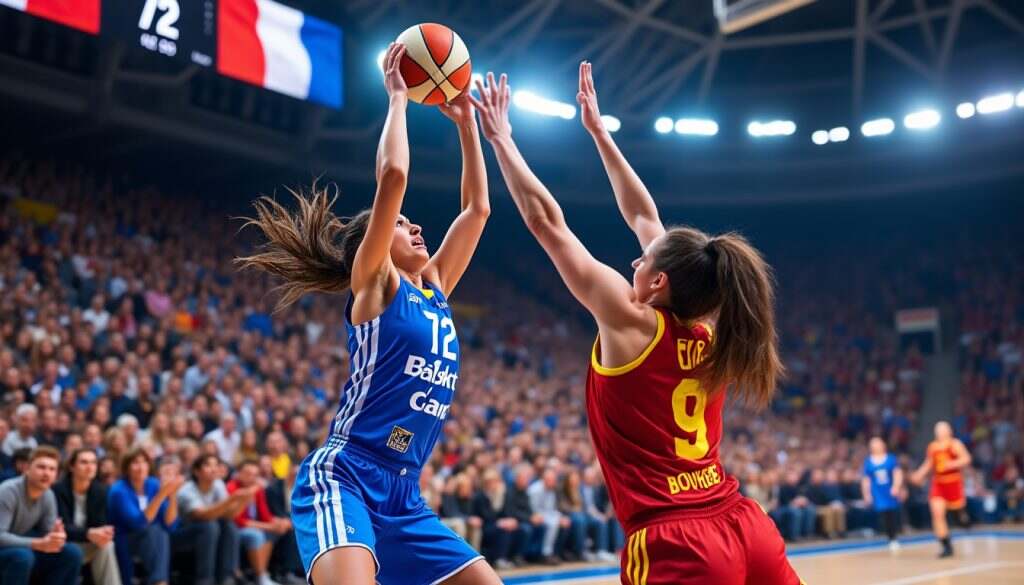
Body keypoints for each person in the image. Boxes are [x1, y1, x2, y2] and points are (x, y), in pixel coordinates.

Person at [470, 62, 801, 584]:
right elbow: (644, 217)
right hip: (745, 524)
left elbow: (546, 222)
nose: (634, 261)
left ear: (659, 282)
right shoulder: (710, 331)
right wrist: (599, 133)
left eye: (643, 262)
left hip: (678, 538)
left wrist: (502, 139)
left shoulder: (631, 320)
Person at [235, 42, 496, 585]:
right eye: (401, 224)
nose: (415, 227)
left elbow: (477, 209)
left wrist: (467, 125)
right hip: (346, 475)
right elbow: (393, 176)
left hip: (404, 492)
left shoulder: (437, 288)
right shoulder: (376, 284)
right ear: (373, 245)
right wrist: (398, 97)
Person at [0, 446, 83, 585]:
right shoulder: (8, 491)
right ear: (27, 469)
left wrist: (56, 536)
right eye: (41, 467)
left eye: (52, 469)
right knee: (23, 556)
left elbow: (47, 534)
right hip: (7, 550)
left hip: (22, 548)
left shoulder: (48, 495)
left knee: (72, 552)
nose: (46, 473)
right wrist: (37, 543)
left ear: (56, 475)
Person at [107, 447, 183, 585]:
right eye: (135, 462)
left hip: (153, 538)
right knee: (155, 531)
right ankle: (160, 582)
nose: (141, 467)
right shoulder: (118, 490)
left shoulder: (153, 484)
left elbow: (170, 525)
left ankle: (159, 581)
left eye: (144, 462)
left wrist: (172, 495)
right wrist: (162, 494)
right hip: (126, 539)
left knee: (160, 532)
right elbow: (138, 523)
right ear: (127, 468)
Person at [175, 454, 251, 585]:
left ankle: (227, 578)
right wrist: (231, 500)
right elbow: (202, 515)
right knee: (210, 526)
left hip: (207, 531)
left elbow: (229, 515)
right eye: (208, 465)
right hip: (181, 533)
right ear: (196, 471)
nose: (213, 469)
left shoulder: (218, 484)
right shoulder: (186, 490)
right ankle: (205, 580)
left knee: (228, 525)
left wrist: (243, 501)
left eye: (216, 465)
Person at [53, 447, 122, 585]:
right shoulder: (58, 490)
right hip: (63, 545)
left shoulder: (101, 491)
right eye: (84, 462)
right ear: (72, 467)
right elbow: (62, 527)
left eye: (93, 462)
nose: (90, 467)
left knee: (107, 544)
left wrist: (104, 533)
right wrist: (89, 533)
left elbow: (100, 524)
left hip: (86, 544)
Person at [911, 421, 972, 558]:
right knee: (937, 514)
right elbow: (929, 463)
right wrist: (919, 474)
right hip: (938, 483)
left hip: (953, 482)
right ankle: (946, 545)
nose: (940, 432)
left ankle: (962, 517)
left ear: (949, 431)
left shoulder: (955, 444)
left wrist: (952, 464)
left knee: (957, 513)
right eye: (937, 430)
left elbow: (966, 459)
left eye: (942, 429)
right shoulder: (932, 447)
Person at [227, 459, 291, 585]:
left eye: (255, 475)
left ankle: (266, 573)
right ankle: (260, 576)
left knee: (277, 531)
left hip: (253, 525)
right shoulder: (232, 487)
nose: (251, 478)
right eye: (248, 474)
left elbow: (265, 515)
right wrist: (269, 526)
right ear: (239, 474)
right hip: (234, 528)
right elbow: (238, 520)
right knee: (256, 535)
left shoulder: (257, 489)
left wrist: (280, 522)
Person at [861, 437, 903, 550]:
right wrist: (866, 494)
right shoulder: (868, 462)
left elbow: (897, 473)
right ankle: (886, 535)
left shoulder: (891, 459)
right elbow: (866, 479)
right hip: (877, 492)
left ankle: (893, 537)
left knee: (891, 513)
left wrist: (896, 486)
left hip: (889, 490)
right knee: (882, 514)